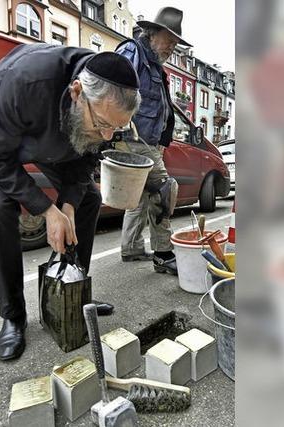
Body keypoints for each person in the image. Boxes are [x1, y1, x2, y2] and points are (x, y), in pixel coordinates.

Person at [0, 45, 141, 361]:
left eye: (116, 127)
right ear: (76, 92)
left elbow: (87, 159)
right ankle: (12, 316)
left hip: (51, 135)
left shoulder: (99, 113)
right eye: (101, 124)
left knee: (87, 199)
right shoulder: (24, 81)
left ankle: (75, 291)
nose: (107, 134)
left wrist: (67, 205)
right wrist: (46, 210)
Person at [115, 7, 193, 275]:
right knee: (163, 189)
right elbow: (113, 88)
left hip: (146, 142)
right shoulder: (132, 53)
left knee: (140, 197)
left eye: (175, 43)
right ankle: (162, 254)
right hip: (132, 139)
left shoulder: (156, 67)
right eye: (169, 40)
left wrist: (161, 139)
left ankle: (131, 247)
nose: (172, 47)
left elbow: (163, 109)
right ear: (151, 34)